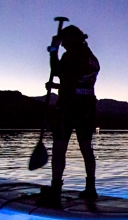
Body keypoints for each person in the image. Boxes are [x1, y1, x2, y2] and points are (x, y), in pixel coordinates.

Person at [37, 25, 101, 206]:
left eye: (65, 40)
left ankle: (55, 193)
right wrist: (56, 87)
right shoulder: (93, 59)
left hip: (69, 107)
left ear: (73, 39)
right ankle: (91, 188)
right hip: (88, 107)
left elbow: (57, 70)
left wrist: (52, 48)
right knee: (86, 148)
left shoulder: (71, 55)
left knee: (59, 147)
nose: (63, 43)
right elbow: (76, 81)